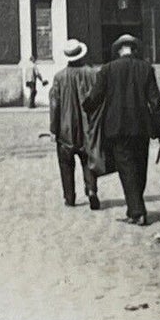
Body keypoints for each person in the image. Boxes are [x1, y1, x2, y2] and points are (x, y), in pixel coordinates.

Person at [82, 33, 160, 226]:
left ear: (118, 50)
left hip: (116, 127)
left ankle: (137, 211)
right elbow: (155, 102)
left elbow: (94, 97)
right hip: (141, 126)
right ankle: (134, 208)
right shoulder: (146, 68)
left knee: (126, 169)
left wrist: (86, 106)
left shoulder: (108, 69)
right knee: (140, 168)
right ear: (133, 49)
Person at [48, 38, 102, 209]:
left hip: (65, 129)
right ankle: (92, 190)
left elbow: (54, 104)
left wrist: (53, 129)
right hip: (88, 127)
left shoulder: (59, 77)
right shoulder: (92, 74)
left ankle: (69, 197)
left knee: (66, 163)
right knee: (88, 160)